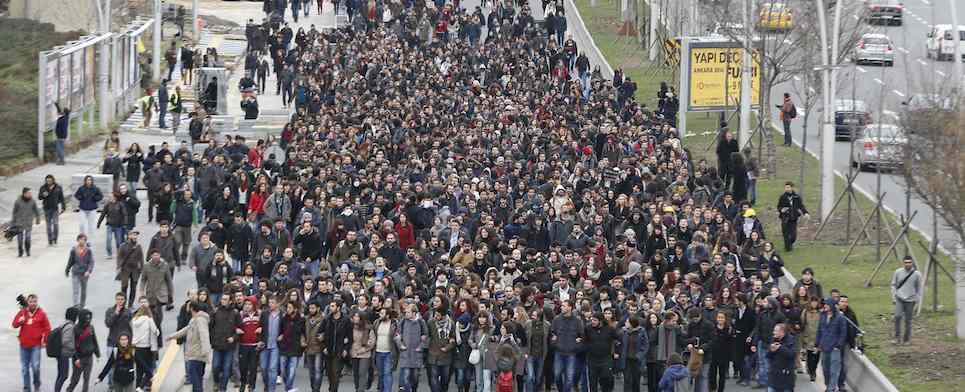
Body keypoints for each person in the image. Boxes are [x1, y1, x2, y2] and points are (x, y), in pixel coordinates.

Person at [167, 301, 213, 392]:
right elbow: (186, 329)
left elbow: (204, 336)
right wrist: (172, 336)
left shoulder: (200, 320)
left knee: (196, 380)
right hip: (193, 354)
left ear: (191, 308)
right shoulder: (194, 319)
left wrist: (206, 353)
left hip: (197, 355)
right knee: (197, 380)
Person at [12, 294, 51, 392]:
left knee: (35, 367)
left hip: (36, 346)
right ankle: (27, 388)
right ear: (28, 302)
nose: (33, 303)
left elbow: (47, 328)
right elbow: (14, 324)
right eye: (31, 302)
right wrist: (19, 321)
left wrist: (45, 340)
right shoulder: (22, 312)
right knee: (25, 369)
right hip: (24, 345)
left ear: (37, 302)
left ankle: (36, 383)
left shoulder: (42, 314)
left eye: (35, 302)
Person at [140, 249, 175, 348]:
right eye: (154, 255)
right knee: (151, 316)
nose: (156, 257)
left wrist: (170, 294)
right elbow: (143, 280)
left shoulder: (165, 265)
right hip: (150, 295)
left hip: (161, 295)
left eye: (157, 255)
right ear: (151, 256)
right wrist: (141, 291)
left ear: (160, 255)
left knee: (157, 317)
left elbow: (169, 280)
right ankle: (153, 336)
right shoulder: (146, 266)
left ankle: (158, 339)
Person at [551, 300, 585, 392]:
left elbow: (582, 336)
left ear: (570, 307)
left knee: (569, 378)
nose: (562, 307)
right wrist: (554, 343)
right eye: (562, 306)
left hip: (571, 353)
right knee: (557, 375)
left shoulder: (577, 321)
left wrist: (577, 345)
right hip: (559, 351)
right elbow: (552, 333)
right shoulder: (556, 319)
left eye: (564, 306)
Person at [211, 294, 242, 392]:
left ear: (230, 301)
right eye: (222, 299)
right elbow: (210, 327)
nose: (222, 301)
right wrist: (212, 340)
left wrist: (234, 338)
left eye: (225, 299)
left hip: (229, 346)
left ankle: (222, 388)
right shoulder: (215, 312)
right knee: (215, 366)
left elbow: (239, 329)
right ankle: (216, 382)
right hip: (217, 345)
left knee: (226, 368)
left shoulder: (235, 313)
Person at [66, 308, 100, 392]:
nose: (88, 320)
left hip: (89, 358)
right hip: (79, 359)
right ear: (81, 318)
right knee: (75, 380)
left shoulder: (91, 327)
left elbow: (94, 340)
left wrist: (97, 354)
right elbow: (72, 346)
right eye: (86, 318)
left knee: (86, 379)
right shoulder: (75, 329)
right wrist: (76, 358)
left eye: (89, 318)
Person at [395, 303, 428, 392]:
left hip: (416, 354)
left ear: (414, 313)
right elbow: (397, 335)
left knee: (415, 377)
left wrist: (420, 347)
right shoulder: (403, 321)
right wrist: (400, 345)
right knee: (406, 376)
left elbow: (425, 336)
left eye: (408, 312)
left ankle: (414, 389)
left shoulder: (421, 322)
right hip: (405, 353)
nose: (406, 314)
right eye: (405, 312)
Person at [890, 256, 922, 344]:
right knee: (897, 316)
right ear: (903, 263)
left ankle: (907, 339)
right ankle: (897, 338)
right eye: (906, 262)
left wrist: (918, 300)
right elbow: (893, 285)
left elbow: (919, 288)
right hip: (899, 298)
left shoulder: (917, 274)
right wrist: (894, 296)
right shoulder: (898, 272)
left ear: (912, 263)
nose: (908, 264)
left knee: (908, 320)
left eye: (909, 262)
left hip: (911, 300)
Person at [131, 297, 159, 390]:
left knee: (139, 371)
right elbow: (155, 331)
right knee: (149, 369)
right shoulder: (149, 319)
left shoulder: (134, 319)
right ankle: (142, 386)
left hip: (137, 348)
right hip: (147, 347)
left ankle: (137, 387)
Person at [777, 182, 808, 252]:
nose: (787, 189)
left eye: (788, 187)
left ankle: (789, 244)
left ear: (792, 188)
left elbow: (801, 206)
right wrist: (781, 210)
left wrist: (805, 213)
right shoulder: (782, 197)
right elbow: (779, 206)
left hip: (793, 218)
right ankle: (787, 247)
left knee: (793, 235)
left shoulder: (796, 197)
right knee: (786, 233)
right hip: (785, 218)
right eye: (785, 187)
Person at [65, 234, 94, 308]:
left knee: (83, 290)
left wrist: (89, 271)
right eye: (80, 239)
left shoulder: (88, 251)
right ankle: (75, 304)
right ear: (77, 240)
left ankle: (82, 304)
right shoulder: (74, 250)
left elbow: (91, 262)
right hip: (76, 272)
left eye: (84, 240)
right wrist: (67, 270)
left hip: (84, 273)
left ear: (85, 241)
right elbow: (70, 261)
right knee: (75, 290)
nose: (82, 241)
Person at [11, 187, 41, 257]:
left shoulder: (32, 201)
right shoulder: (18, 201)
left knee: (28, 237)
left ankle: (27, 250)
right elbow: (14, 212)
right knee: (20, 238)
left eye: (30, 193)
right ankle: (20, 250)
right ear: (24, 194)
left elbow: (36, 210)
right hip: (19, 222)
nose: (30, 194)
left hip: (28, 222)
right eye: (28, 193)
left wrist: (38, 218)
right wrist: (13, 222)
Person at [765, 323, 796, 392]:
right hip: (773, 376)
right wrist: (771, 350)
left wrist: (780, 348)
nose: (773, 332)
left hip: (786, 377)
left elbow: (791, 354)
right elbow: (767, 356)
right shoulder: (773, 339)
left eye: (775, 331)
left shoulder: (791, 340)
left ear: (782, 332)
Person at [55, 307, 79, 392]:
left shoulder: (64, 323)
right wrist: (73, 348)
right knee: (64, 375)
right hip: (64, 354)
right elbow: (65, 341)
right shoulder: (70, 326)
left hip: (60, 353)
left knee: (60, 375)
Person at [117, 231, 145, 305]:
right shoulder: (123, 246)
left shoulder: (138, 246)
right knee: (124, 287)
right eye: (133, 235)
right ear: (129, 236)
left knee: (133, 288)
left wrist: (142, 269)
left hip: (135, 270)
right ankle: (122, 303)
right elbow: (119, 257)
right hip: (125, 269)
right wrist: (119, 266)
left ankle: (130, 304)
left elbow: (141, 258)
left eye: (136, 235)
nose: (135, 236)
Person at [38, 174, 66, 245]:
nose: (49, 182)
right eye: (47, 181)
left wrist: (63, 206)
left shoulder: (58, 187)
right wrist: (48, 191)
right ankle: (50, 240)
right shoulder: (43, 188)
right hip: (46, 208)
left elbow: (61, 198)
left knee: (56, 224)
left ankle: (55, 239)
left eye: (50, 180)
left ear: (53, 180)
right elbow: (40, 197)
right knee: (48, 226)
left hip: (55, 208)